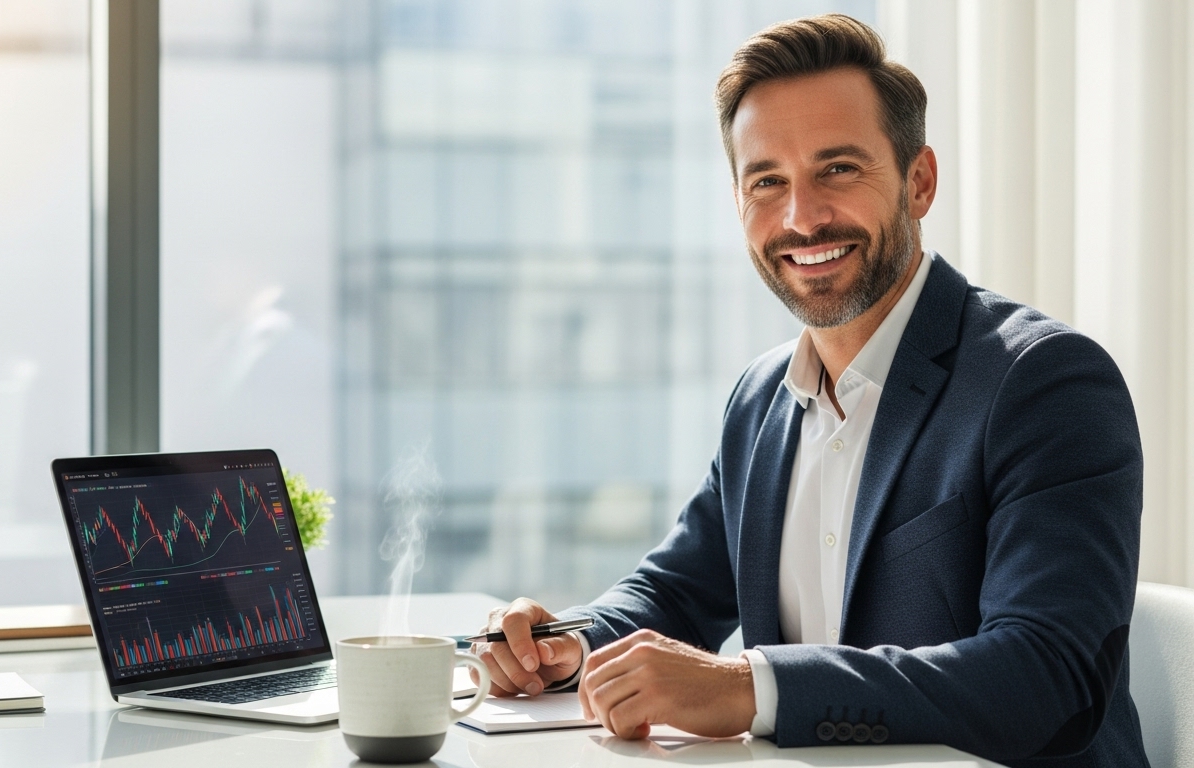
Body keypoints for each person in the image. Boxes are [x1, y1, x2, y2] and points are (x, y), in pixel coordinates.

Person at [471, 14, 1148, 767]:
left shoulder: (1044, 382)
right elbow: (674, 592)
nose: (802, 217)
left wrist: (749, 688)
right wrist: (567, 641)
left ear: (918, 181)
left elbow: (1046, 678)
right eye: (768, 181)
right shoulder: (761, 399)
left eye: (838, 169)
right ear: (738, 202)